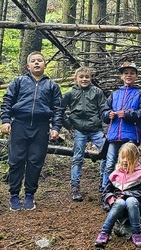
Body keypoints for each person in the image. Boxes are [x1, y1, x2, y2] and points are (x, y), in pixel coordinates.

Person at [0, 51, 63, 211]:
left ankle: (29, 194)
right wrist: (6, 120)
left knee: (35, 162)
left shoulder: (52, 86)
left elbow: (58, 109)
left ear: (45, 64)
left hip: (41, 127)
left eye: (40, 61)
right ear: (28, 65)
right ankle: (14, 194)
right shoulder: (19, 82)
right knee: (16, 160)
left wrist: (55, 127)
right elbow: (7, 100)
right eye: (33, 61)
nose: (37, 63)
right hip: (19, 124)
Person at [62, 67, 107, 202]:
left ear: (91, 78)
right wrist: (67, 124)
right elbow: (60, 109)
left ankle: (103, 183)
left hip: (96, 129)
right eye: (81, 77)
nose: (84, 79)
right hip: (79, 129)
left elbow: (104, 111)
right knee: (77, 157)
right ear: (76, 79)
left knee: (107, 153)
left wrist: (105, 131)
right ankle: (75, 187)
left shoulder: (97, 92)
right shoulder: (70, 93)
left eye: (87, 77)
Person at [100, 61, 141, 191]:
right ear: (121, 76)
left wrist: (127, 114)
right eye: (126, 73)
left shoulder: (140, 94)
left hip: (131, 135)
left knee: (129, 164)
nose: (129, 75)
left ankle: (127, 190)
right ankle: (106, 191)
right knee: (110, 164)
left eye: (132, 73)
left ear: (136, 76)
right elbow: (103, 112)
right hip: (114, 135)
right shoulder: (115, 94)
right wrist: (107, 115)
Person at [95, 143, 141, 248]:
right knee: (120, 202)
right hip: (118, 206)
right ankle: (105, 232)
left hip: (135, 206)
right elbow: (106, 193)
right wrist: (111, 200)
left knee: (130, 201)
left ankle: (137, 232)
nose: (125, 160)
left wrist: (127, 194)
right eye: (123, 157)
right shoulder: (115, 174)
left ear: (136, 159)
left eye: (128, 158)